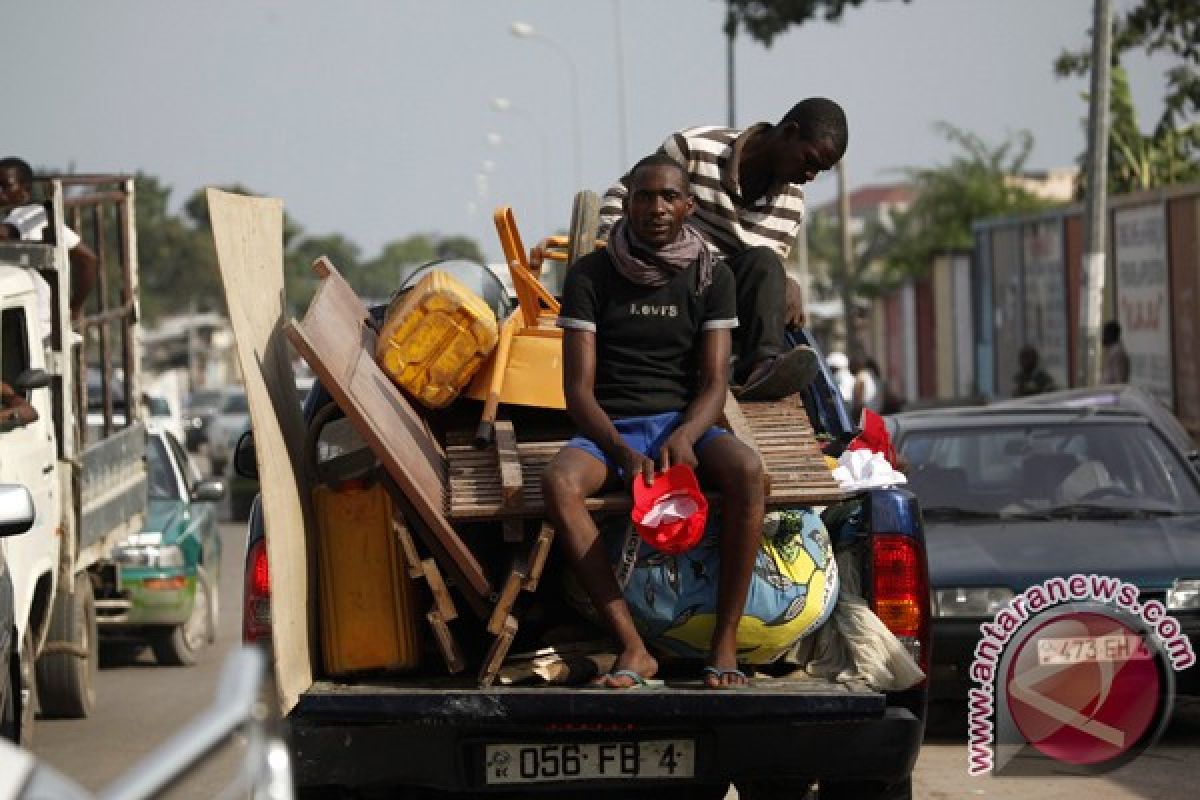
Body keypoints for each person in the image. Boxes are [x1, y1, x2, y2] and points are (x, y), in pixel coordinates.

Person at [543, 154, 765, 689]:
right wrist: (620, 451)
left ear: (688, 205)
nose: (656, 207)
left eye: (669, 196)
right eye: (645, 196)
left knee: (750, 472)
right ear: (629, 203)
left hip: (682, 424)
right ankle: (633, 647)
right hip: (610, 429)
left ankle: (725, 642)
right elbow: (578, 391)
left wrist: (687, 437)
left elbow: (715, 384)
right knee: (558, 483)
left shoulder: (712, 275)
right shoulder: (591, 275)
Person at [596, 98, 848, 402]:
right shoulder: (694, 149)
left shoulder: (792, 204)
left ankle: (761, 368)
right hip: (661, 283)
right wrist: (617, 252)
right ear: (789, 133)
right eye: (809, 161)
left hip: (718, 301)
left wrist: (785, 282)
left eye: (820, 170)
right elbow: (622, 195)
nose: (811, 176)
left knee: (768, 266)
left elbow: (761, 272)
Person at [0, 156, 98, 323]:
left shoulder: (32, 216)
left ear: (26, 189)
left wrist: (74, 309)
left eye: (6, 186)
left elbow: (88, 259)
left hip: (35, 329)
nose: (0, 192)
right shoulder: (25, 216)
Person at [1101, 319, 1131, 384]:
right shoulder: (1112, 351)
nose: (1103, 336)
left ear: (1111, 334)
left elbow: (1120, 381)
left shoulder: (1117, 353)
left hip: (1112, 393)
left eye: (1105, 333)